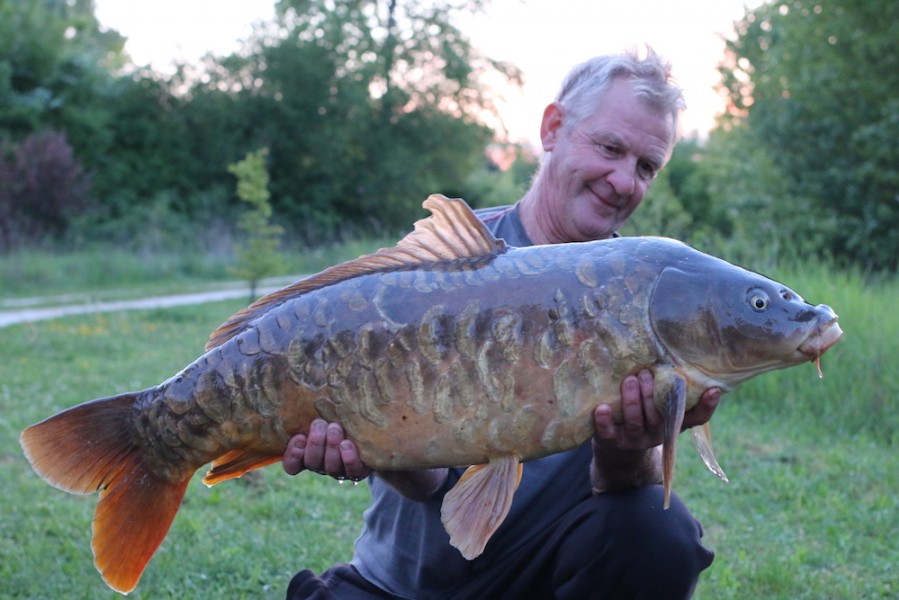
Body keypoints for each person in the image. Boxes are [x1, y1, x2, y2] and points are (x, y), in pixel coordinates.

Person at [282, 49, 720, 599]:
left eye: (645, 166)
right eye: (610, 148)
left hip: (540, 580)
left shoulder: (646, 294)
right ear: (554, 128)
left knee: (660, 532)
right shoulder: (438, 267)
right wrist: (365, 447)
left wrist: (627, 450)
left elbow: (621, 498)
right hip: (404, 586)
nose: (623, 181)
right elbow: (427, 485)